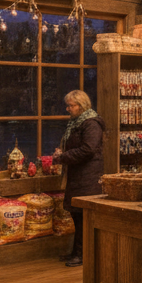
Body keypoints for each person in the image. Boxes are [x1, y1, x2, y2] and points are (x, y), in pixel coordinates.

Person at [54, 90, 105, 268]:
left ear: (81, 106)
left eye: (71, 105)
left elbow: (88, 149)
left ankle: (82, 254)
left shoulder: (91, 124)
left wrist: (64, 157)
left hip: (88, 177)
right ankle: (78, 251)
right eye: (68, 105)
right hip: (78, 175)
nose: (68, 109)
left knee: (83, 216)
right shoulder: (77, 123)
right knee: (76, 215)